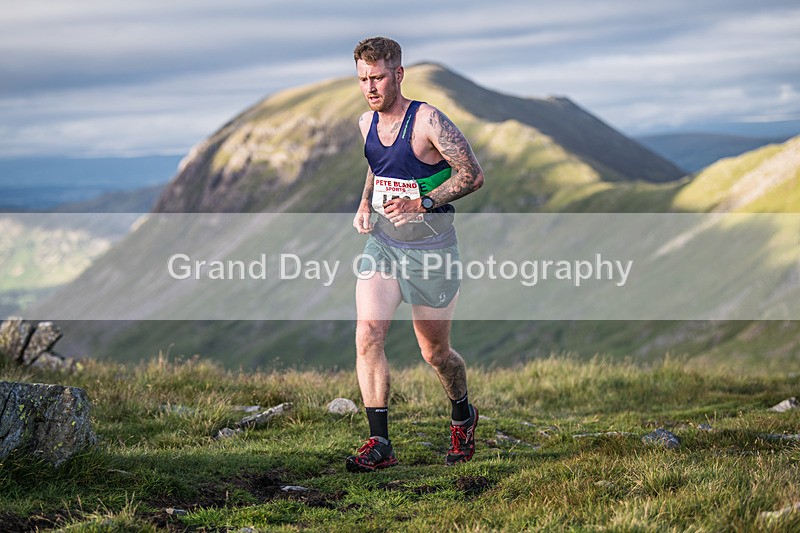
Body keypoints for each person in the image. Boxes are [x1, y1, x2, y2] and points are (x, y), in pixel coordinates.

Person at [347, 36, 485, 472]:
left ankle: (463, 414)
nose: (371, 87)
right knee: (368, 334)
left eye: (379, 78)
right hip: (384, 245)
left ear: (399, 74)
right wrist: (365, 203)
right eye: (364, 79)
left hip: (433, 249)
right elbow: (377, 164)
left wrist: (422, 203)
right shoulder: (366, 124)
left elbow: (472, 174)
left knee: (436, 354)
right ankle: (379, 443)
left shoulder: (427, 120)